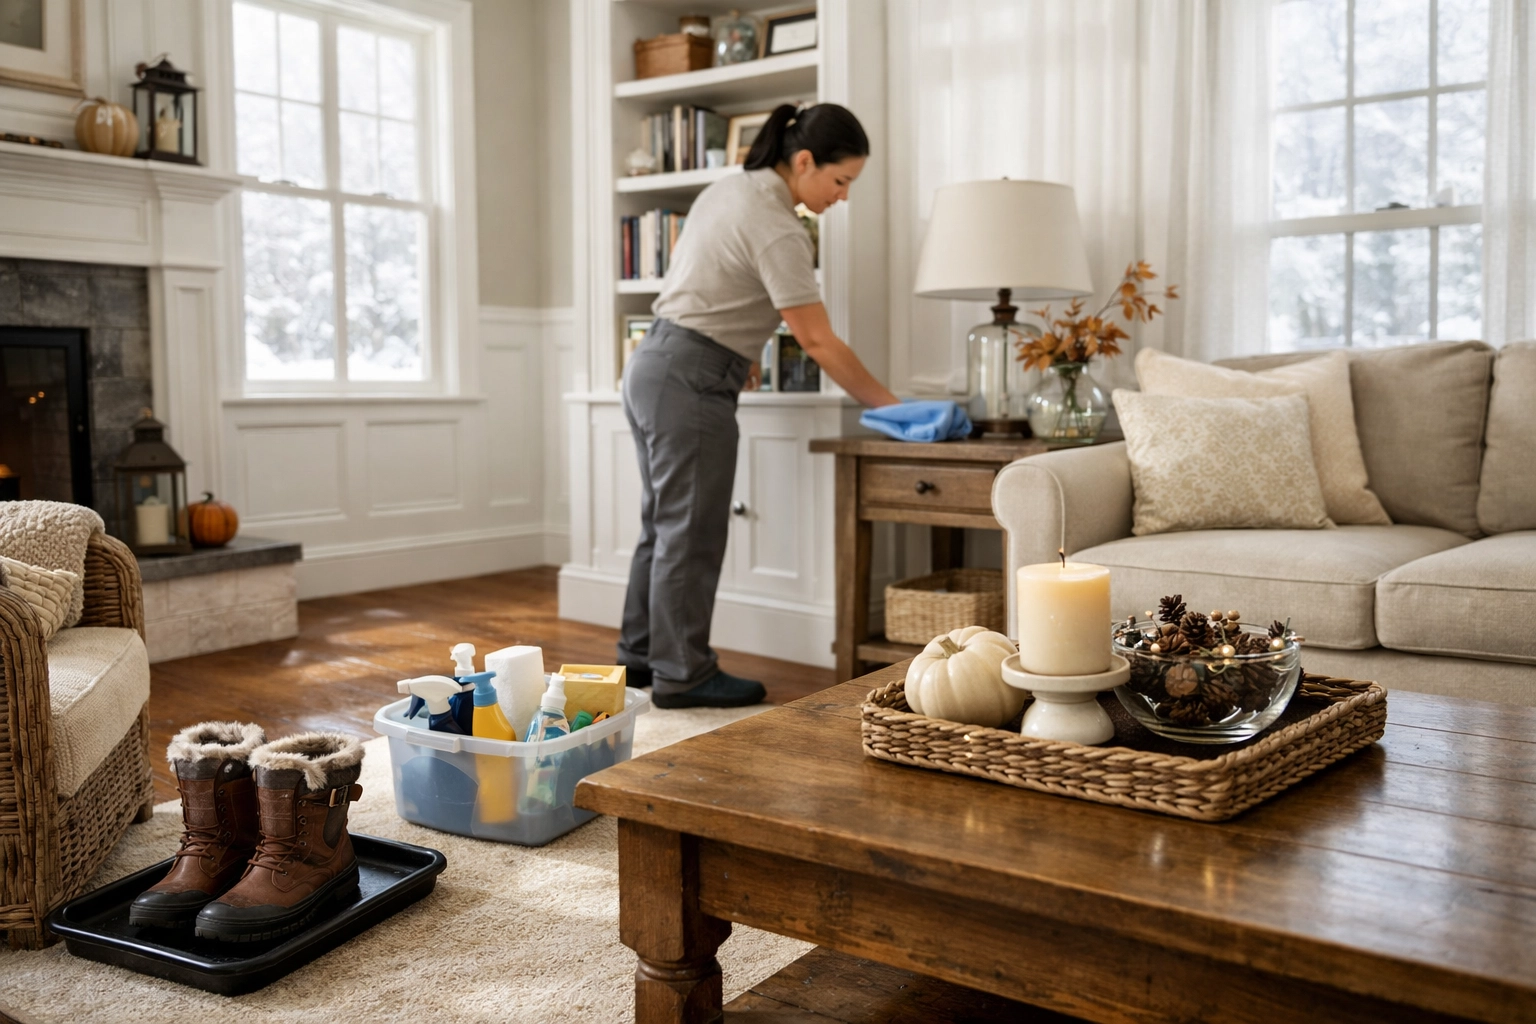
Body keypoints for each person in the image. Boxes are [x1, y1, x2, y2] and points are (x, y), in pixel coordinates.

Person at [619, 102, 902, 709]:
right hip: (690, 379)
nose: (842, 196)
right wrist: (894, 408)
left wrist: (738, 350)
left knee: (663, 528)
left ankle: (640, 658)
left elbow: (713, 278)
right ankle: (684, 674)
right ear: (804, 162)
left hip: (653, 364)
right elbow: (818, 340)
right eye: (841, 180)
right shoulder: (779, 226)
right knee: (690, 534)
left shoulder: (729, 190)